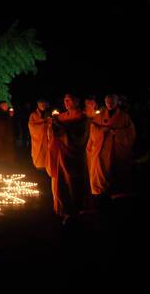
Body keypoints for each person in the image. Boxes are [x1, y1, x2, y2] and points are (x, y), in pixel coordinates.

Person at [46, 94, 88, 224]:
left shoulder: (82, 117)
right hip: (61, 154)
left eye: (69, 100)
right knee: (61, 182)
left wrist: (63, 128)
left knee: (74, 182)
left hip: (75, 156)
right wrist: (53, 125)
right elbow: (56, 133)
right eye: (64, 100)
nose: (66, 103)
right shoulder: (62, 116)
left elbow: (79, 136)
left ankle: (78, 209)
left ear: (76, 101)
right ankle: (66, 210)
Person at [87, 94, 136, 200]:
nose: (109, 104)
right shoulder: (99, 116)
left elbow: (131, 134)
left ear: (117, 102)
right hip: (102, 152)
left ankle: (117, 195)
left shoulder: (124, 116)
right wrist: (101, 131)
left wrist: (116, 132)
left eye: (112, 102)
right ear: (105, 102)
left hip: (117, 152)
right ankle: (101, 194)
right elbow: (93, 131)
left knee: (117, 175)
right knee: (101, 175)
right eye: (107, 102)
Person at [0, 101, 16, 165]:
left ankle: (7, 161)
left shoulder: (5, 113)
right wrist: (9, 116)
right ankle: (1, 161)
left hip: (7, 134)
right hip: (2, 134)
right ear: (1, 106)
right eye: (5, 105)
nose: (7, 106)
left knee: (7, 148)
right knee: (2, 148)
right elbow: (2, 123)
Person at [28, 99, 49, 170]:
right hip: (38, 139)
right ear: (38, 104)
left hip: (47, 138)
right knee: (39, 153)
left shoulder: (48, 114)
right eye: (41, 104)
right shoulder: (33, 115)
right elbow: (31, 126)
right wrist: (43, 125)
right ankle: (39, 165)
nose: (43, 105)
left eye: (44, 104)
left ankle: (48, 165)